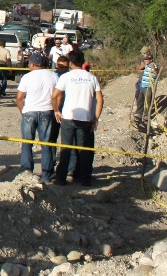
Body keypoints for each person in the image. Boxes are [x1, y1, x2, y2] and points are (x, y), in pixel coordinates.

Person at [51, 49, 103, 187]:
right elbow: (100, 98)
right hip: (85, 118)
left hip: (68, 117)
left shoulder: (66, 77)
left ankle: (61, 178)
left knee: (65, 149)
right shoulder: (91, 77)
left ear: (71, 63)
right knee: (84, 150)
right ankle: (84, 178)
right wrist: (96, 117)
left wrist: (56, 110)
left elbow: (54, 96)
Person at [16, 51, 60, 183]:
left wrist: (22, 111)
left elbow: (19, 98)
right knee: (46, 145)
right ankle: (46, 174)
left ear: (33, 64)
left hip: (29, 112)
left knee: (27, 143)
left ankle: (26, 171)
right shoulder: (54, 76)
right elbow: (59, 95)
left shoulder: (27, 77)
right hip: (47, 111)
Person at [134, 52, 159, 126]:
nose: (145, 60)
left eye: (147, 59)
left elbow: (157, 74)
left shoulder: (154, 65)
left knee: (148, 101)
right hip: (143, 86)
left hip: (149, 86)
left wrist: (154, 70)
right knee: (140, 99)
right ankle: (139, 113)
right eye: (145, 59)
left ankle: (146, 115)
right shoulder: (146, 65)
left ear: (151, 59)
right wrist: (144, 64)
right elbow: (139, 68)